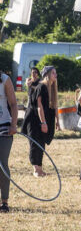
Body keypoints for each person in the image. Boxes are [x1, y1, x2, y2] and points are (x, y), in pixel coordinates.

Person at [22, 65, 59, 177]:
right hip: (34, 119)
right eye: (53, 73)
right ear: (47, 74)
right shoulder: (41, 87)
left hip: (43, 119)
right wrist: (43, 122)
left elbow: (55, 106)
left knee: (41, 143)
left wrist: (57, 121)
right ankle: (36, 169)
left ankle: (40, 168)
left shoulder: (52, 88)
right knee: (35, 142)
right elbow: (39, 106)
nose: (55, 75)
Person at [0, 71, 18, 213]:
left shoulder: (5, 79)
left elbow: (13, 103)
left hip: (4, 128)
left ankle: (4, 201)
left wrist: (13, 125)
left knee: (2, 164)